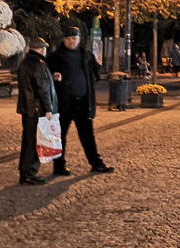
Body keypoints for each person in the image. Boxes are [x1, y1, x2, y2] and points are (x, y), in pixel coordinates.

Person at [50, 23, 114, 175]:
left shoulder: (87, 56)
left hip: (83, 102)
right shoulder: (56, 57)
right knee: (60, 136)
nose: (71, 41)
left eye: (74, 38)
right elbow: (46, 75)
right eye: (69, 38)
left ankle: (96, 163)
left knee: (87, 136)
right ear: (64, 40)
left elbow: (96, 72)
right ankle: (59, 166)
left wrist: (89, 83)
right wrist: (54, 77)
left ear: (79, 39)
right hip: (64, 103)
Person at [16, 36, 57, 185]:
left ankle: (24, 171)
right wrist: (48, 109)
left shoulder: (25, 63)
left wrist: (51, 77)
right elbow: (42, 88)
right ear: (41, 49)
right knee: (35, 143)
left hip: (27, 109)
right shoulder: (39, 64)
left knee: (28, 141)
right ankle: (29, 173)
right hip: (37, 110)